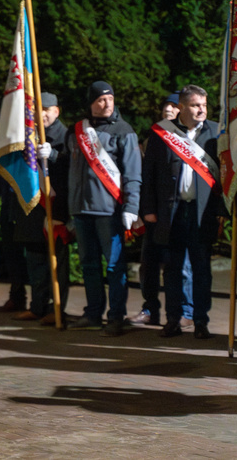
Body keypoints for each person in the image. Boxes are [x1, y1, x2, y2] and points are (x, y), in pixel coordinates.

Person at [140, 85, 222, 339]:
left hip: (202, 212)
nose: (201, 110)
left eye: (204, 105)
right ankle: (173, 319)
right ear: (182, 107)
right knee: (173, 269)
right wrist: (148, 209)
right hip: (171, 212)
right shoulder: (162, 134)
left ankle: (200, 321)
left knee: (201, 270)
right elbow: (149, 174)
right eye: (196, 105)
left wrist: (222, 212)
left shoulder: (217, 133)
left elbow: (225, 177)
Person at [67, 81, 141, 336]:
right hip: (81, 210)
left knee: (114, 266)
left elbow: (133, 173)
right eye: (100, 99)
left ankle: (116, 317)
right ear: (90, 103)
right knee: (88, 264)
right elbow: (67, 164)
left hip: (109, 211)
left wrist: (131, 207)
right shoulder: (76, 130)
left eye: (110, 98)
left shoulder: (124, 130)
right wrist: (48, 156)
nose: (107, 103)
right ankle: (93, 314)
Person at [129, 92, 195, 328]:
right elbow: (146, 176)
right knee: (149, 265)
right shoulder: (154, 137)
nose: (168, 109)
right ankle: (150, 309)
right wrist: (145, 209)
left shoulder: (190, 139)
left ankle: (186, 310)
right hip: (155, 215)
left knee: (181, 267)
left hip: (179, 214)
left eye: (173, 105)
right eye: (165, 104)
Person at [5, 93, 71, 324]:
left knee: (57, 262)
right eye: (37, 109)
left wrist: (53, 155)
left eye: (47, 109)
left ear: (56, 111)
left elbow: (72, 167)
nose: (41, 114)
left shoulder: (66, 135)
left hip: (57, 207)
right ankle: (37, 306)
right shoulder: (27, 135)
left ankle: (58, 308)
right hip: (33, 205)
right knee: (35, 260)